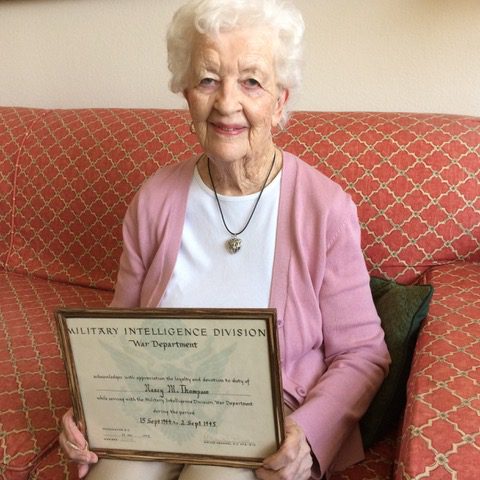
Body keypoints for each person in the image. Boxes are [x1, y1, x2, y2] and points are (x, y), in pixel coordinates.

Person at [59, 0, 390, 479]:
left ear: (280, 101)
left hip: (265, 413)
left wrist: (308, 433)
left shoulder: (325, 209)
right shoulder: (153, 199)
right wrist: (92, 408)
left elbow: (363, 352)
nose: (226, 103)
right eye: (208, 79)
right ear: (186, 92)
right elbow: (118, 335)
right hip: (159, 403)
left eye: (252, 81)